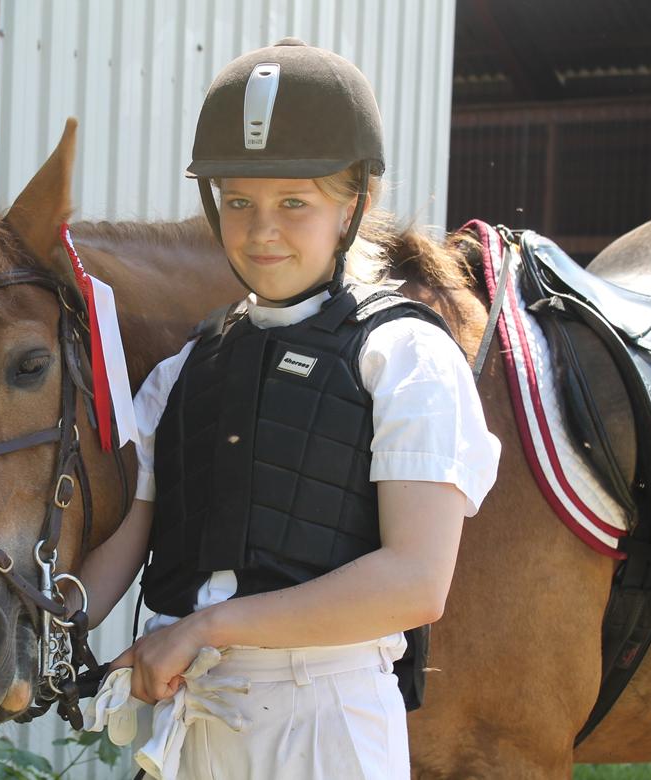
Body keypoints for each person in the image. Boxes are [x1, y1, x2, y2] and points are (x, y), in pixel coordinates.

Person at [75, 39, 501, 779]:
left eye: (293, 203)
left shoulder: (406, 357)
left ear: (351, 206)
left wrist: (208, 627)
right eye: (238, 201)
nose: (260, 228)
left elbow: (416, 581)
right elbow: (114, 557)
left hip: (326, 729)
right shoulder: (184, 370)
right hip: (191, 727)